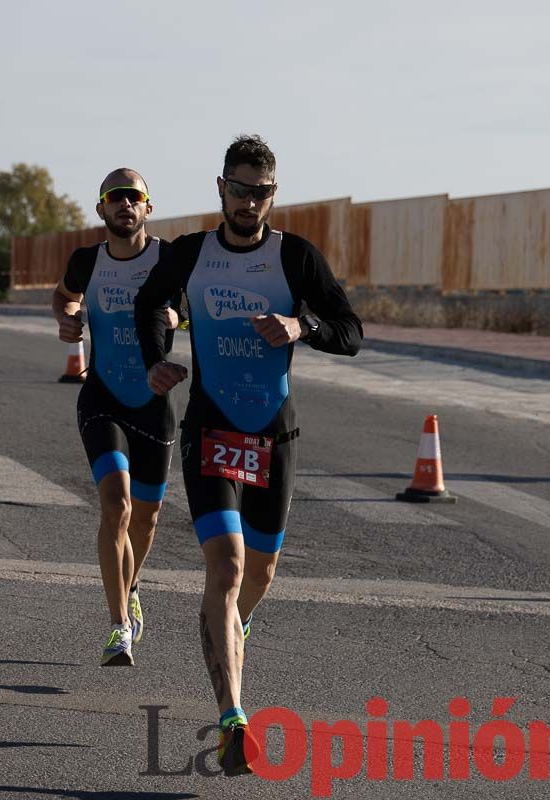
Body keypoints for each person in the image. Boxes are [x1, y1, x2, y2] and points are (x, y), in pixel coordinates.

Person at [134, 135, 363, 775]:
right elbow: (151, 301)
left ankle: (227, 627)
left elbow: (351, 331)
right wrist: (158, 357)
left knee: (259, 575)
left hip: (274, 437)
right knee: (228, 568)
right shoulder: (190, 254)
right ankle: (234, 718)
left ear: (273, 195)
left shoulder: (296, 259)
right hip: (213, 430)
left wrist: (303, 327)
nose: (249, 202)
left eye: (260, 192)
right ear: (220, 189)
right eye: (239, 190)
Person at [54, 169, 181, 667]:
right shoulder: (88, 260)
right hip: (103, 396)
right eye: (116, 197)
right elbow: (63, 296)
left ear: (148, 207)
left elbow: (198, 310)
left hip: (154, 401)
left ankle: (131, 587)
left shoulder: (169, 259)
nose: (125, 204)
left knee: (146, 519)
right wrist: (68, 319)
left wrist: (177, 318)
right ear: (101, 209)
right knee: (117, 507)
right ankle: (118, 627)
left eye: (135, 196)